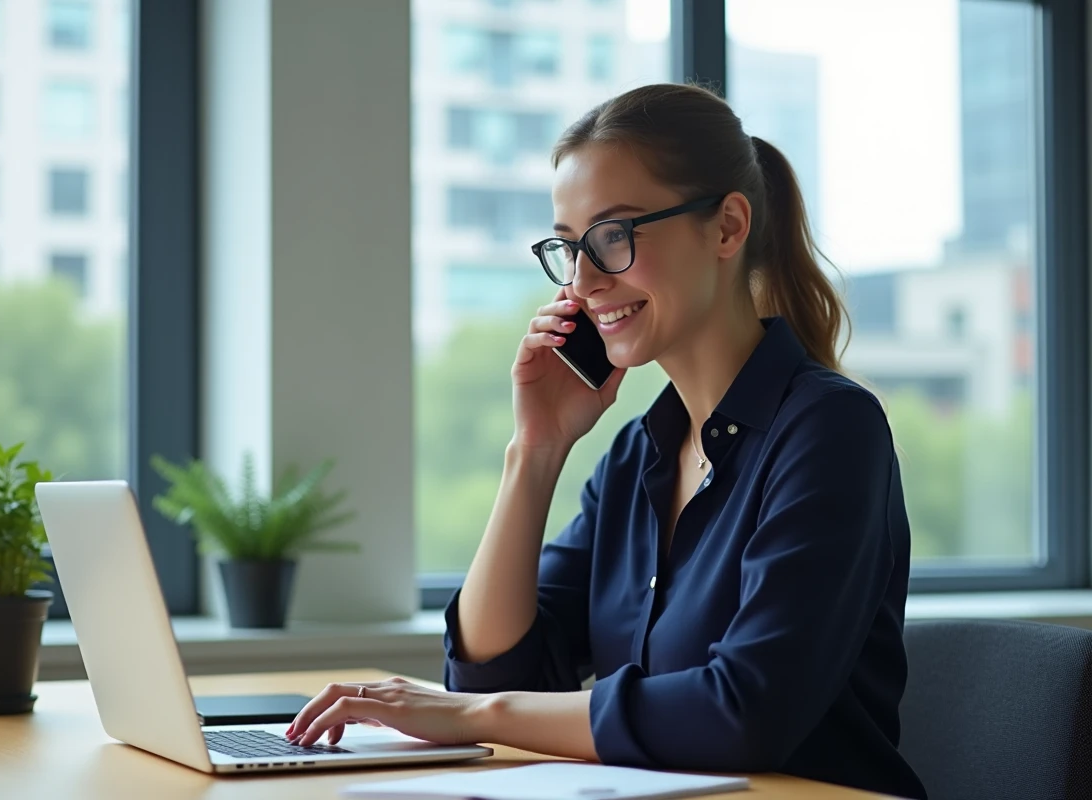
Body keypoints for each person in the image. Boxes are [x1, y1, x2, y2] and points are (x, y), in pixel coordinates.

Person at [286, 82, 927, 800]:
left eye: (614, 237)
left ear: (726, 228)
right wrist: (535, 451)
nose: (584, 281)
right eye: (567, 247)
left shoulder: (830, 430)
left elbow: (741, 713)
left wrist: (473, 714)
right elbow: (498, 670)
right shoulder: (636, 454)